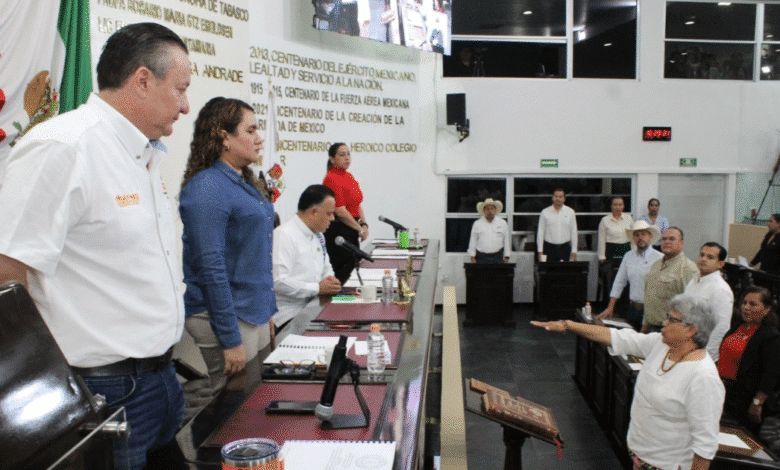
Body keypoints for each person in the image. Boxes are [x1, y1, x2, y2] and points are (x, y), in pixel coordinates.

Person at [0, 23, 190, 470]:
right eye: (180, 89)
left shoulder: (144, 155)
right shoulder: (63, 147)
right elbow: (9, 272)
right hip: (105, 389)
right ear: (143, 80)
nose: (185, 106)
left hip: (162, 378)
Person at [533, 294, 725, 470]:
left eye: (672, 320)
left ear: (691, 330)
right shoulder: (661, 345)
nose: (664, 322)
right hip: (640, 458)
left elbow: (704, 446)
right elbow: (617, 337)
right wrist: (568, 325)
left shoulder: (703, 377)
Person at [179, 97, 276, 397]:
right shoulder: (207, 187)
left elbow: (254, 254)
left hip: (252, 310)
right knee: (236, 408)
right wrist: (230, 338)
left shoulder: (242, 182)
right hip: (227, 316)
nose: (259, 139)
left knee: (257, 398)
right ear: (224, 138)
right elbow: (212, 269)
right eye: (251, 130)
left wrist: (267, 309)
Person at [273, 184, 342, 336]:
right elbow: (278, 281)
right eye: (329, 214)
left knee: (349, 317)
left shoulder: (318, 235)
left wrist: (330, 281)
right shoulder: (284, 235)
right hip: (290, 314)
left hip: (315, 305)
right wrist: (317, 288)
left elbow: (326, 267)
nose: (332, 218)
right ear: (314, 212)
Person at [719, 286, 780, 433]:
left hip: (744, 400)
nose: (746, 307)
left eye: (753, 304)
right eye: (744, 303)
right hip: (723, 392)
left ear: (766, 309)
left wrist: (757, 402)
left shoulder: (770, 336)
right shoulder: (738, 327)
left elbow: (771, 374)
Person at [597, 220, 663, 330]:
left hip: (652, 311)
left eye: (643, 234)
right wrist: (610, 306)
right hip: (632, 309)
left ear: (650, 236)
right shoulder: (628, 256)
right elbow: (619, 281)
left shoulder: (660, 258)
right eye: (636, 235)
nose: (640, 237)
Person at [323, 142, 369, 284]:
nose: (347, 157)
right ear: (332, 159)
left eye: (348, 154)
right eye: (342, 155)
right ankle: (338, 304)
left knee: (353, 268)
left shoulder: (349, 176)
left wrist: (364, 224)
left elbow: (356, 204)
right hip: (339, 230)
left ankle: (350, 303)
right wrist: (359, 228)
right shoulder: (331, 178)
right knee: (344, 272)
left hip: (352, 227)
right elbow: (340, 211)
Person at [684, 242, 734, 362]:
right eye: (702, 255)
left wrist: (706, 356)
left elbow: (722, 327)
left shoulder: (720, 289)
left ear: (720, 264)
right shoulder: (694, 281)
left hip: (702, 352)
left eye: (710, 257)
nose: (703, 259)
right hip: (686, 345)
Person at [642, 227, 698, 333]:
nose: (667, 242)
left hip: (671, 331)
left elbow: (692, 307)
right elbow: (650, 297)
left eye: (672, 239)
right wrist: (645, 325)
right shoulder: (656, 265)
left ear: (681, 243)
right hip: (650, 328)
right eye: (664, 239)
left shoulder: (688, 269)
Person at [537, 188, 578, 262]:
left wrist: (574, 251)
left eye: (560, 197)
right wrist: (540, 251)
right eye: (556, 196)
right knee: (549, 272)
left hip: (565, 248)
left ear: (564, 199)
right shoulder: (545, 212)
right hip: (549, 249)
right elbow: (540, 233)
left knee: (564, 272)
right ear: (552, 198)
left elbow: (574, 232)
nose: (558, 199)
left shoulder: (570, 212)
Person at [467, 198, 511, 263]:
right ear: (484, 211)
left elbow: (506, 240)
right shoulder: (477, 223)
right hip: (481, 257)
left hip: (498, 257)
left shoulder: (503, 223)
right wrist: (472, 257)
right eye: (487, 209)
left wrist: (507, 256)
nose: (490, 211)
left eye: (492, 208)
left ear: (495, 210)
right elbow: (473, 241)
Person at [597, 197, 633, 262]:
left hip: (626, 249)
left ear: (623, 206)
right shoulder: (605, 220)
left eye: (620, 205)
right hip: (610, 249)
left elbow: (633, 237)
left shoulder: (629, 218)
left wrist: (635, 252)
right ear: (611, 206)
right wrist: (601, 255)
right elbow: (601, 239)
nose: (618, 207)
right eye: (615, 205)